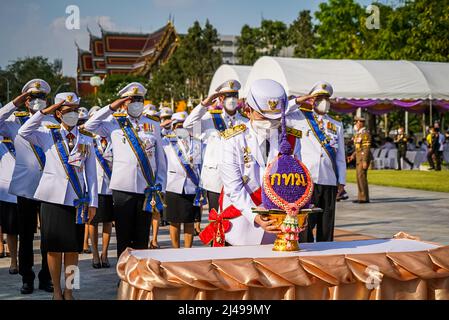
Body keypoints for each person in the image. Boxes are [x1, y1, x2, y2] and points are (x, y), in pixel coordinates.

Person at [18, 92, 97, 300]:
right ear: (59, 114)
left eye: (75, 110)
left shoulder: (86, 139)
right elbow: (23, 131)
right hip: (52, 200)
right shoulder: (46, 133)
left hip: (77, 201)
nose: (72, 114)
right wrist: (45, 112)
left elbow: (92, 174)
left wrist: (93, 202)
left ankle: (70, 290)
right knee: (52, 249)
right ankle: (56, 291)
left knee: (73, 250)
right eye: (67, 110)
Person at [83, 82, 167, 258]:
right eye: (132, 99)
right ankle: (124, 277)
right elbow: (90, 125)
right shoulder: (114, 123)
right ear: (124, 102)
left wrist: (161, 186)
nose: (136, 103)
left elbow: (160, 158)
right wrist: (112, 106)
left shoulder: (153, 125)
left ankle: (140, 277)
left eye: (139, 99)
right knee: (123, 236)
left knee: (142, 236)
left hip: (147, 188)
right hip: (123, 188)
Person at [219, 79, 303, 246]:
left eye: (276, 118)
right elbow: (233, 187)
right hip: (241, 226)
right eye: (262, 116)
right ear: (248, 111)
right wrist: (255, 216)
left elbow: (297, 179)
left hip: (280, 228)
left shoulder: (291, 139)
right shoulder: (234, 139)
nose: (269, 122)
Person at [0, 79, 53, 294]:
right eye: (32, 98)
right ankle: (27, 277)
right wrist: (15, 103)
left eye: (41, 98)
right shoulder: (14, 121)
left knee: (49, 236)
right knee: (27, 235)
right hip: (25, 189)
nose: (37, 101)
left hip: (50, 188)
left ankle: (47, 276)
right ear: (26, 100)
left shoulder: (52, 121)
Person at [183, 80, 248, 232]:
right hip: (215, 180)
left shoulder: (245, 121)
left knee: (237, 222)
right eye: (227, 96)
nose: (231, 99)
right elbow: (187, 125)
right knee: (217, 221)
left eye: (234, 95)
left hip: (239, 179)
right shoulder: (209, 120)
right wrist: (205, 103)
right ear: (220, 99)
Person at [289, 81, 346, 242]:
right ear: (312, 100)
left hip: (329, 179)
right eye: (320, 98)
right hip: (307, 179)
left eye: (326, 98)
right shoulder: (300, 118)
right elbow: (281, 113)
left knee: (326, 225)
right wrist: (301, 99)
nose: (324, 102)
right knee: (306, 224)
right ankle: (306, 255)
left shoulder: (336, 124)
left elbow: (340, 156)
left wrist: (341, 181)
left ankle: (326, 255)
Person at [162, 112, 205, 248]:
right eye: (177, 125)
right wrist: (164, 125)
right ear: (173, 127)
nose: (181, 128)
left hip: (191, 186)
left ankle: (188, 251)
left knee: (189, 221)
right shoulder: (167, 142)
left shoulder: (197, 143)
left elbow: (202, 165)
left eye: (183, 125)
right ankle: (176, 250)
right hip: (173, 186)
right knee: (174, 221)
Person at [85, 107, 113, 268]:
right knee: (92, 222)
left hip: (109, 186)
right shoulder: (88, 139)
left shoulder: (113, 138)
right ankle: (95, 253)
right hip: (93, 187)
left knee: (108, 222)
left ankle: (105, 253)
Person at [0, 134, 19, 274]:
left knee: (26, 232)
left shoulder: (26, 140)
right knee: (11, 231)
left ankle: (25, 261)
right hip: (8, 194)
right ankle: (14, 261)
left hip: (27, 192)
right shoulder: (2, 144)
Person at [348, 116, 372, 203]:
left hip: (362, 158)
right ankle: (361, 197)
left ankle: (364, 198)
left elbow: (366, 148)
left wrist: (365, 160)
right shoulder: (359, 134)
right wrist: (353, 156)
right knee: (359, 177)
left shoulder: (365, 133)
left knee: (361, 177)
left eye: (357, 123)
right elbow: (358, 148)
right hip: (359, 158)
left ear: (361, 123)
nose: (356, 124)